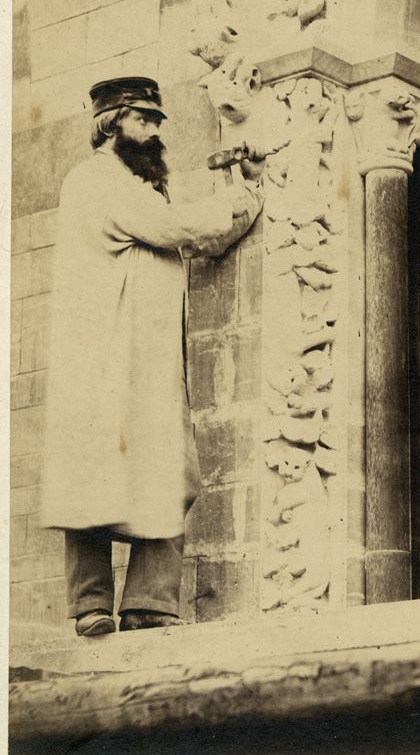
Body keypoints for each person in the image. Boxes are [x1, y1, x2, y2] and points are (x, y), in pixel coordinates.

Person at [39, 77, 265, 636]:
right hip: (101, 358)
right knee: (92, 477)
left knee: (166, 469)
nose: (154, 130)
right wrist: (240, 196)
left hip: (148, 362)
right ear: (109, 124)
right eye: (141, 119)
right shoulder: (94, 180)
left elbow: (201, 238)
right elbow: (175, 227)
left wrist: (249, 192)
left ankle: (149, 604)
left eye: (157, 120)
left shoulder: (142, 190)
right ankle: (91, 605)